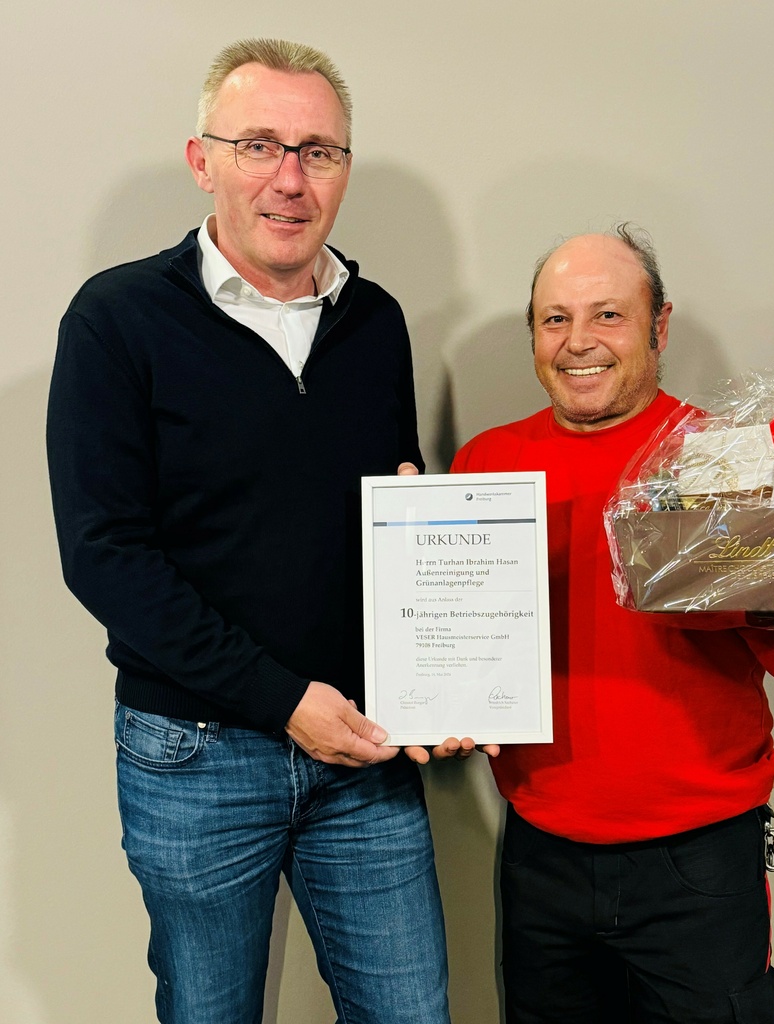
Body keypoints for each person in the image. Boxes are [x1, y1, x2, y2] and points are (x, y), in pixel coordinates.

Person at [47, 37, 455, 1024]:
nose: (290, 179)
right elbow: (106, 556)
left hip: (362, 749)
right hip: (195, 755)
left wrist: (439, 673)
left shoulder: (376, 322)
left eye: (319, 151)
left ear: (344, 168)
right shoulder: (118, 319)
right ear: (204, 160)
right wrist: (282, 700)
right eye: (259, 145)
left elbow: (389, 525)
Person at [451, 227, 774, 1023]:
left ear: (659, 325)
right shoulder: (486, 462)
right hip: (540, 855)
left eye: (608, 314)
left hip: (698, 863)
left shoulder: (725, 460)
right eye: (555, 319)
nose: (578, 342)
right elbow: (459, 647)